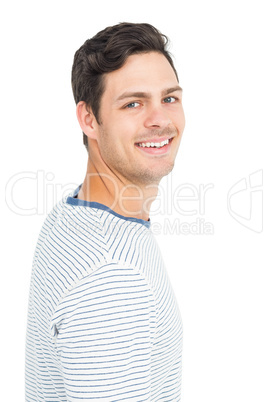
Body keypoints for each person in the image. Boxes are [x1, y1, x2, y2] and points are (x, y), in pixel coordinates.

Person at [25, 22, 185, 401]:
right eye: (133, 103)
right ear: (89, 119)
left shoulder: (73, 213)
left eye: (170, 98)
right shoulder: (112, 278)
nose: (159, 119)